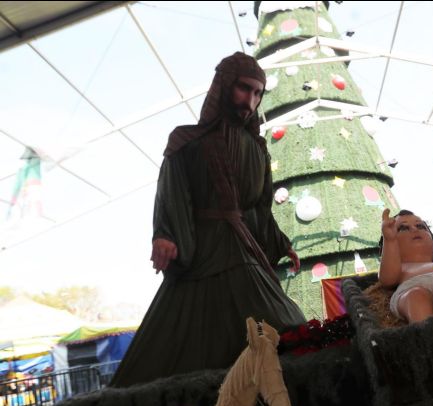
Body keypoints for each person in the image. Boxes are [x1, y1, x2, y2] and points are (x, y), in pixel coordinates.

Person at [111, 52, 306, 388]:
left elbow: (259, 209)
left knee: (283, 326)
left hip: (244, 252)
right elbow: (172, 191)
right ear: (224, 86)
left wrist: (279, 241)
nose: (251, 100)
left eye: (258, 93)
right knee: (172, 355)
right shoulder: (187, 142)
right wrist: (166, 235)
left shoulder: (258, 150)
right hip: (200, 252)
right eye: (244, 89)